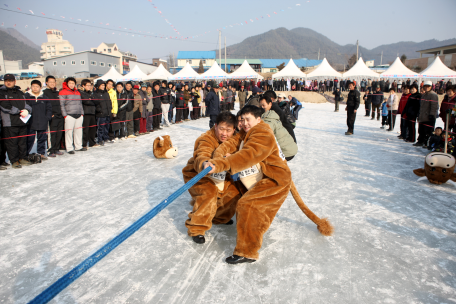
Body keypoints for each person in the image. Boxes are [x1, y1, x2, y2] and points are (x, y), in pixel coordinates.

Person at [205, 105, 292, 264]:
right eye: (241, 120)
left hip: (274, 180)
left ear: (258, 120)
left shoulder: (262, 132)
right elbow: (231, 143)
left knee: (248, 205)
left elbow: (249, 155)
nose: (244, 123)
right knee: (234, 191)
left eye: (248, 119)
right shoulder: (247, 132)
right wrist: (217, 157)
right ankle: (221, 217)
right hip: (260, 176)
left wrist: (221, 164)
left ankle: (247, 252)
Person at [182, 112, 243, 244]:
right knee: (208, 194)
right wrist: (204, 163)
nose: (224, 133)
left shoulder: (236, 140)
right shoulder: (206, 138)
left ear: (234, 129)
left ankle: (219, 218)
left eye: (228, 130)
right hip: (198, 174)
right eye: (221, 128)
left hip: (222, 176)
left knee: (233, 193)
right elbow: (202, 153)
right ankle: (197, 228)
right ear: (215, 126)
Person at [0, 74, 33, 168]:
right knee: (12, 143)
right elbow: (4, 106)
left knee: (22, 142)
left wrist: (27, 110)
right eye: (6, 80)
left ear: (15, 81)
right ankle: (14, 161)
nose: (8, 82)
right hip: (9, 122)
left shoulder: (20, 92)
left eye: (10, 80)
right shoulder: (2, 92)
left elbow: (27, 103)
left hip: (22, 121)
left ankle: (22, 158)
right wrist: (19, 111)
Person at [260, 95, 298, 161]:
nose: (261, 108)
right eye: (260, 106)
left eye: (263, 105)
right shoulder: (271, 113)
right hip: (290, 145)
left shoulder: (273, 114)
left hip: (287, 150)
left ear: (270, 103)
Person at [25, 80, 52, 160]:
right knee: (29, 139)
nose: (35, 88)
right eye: (33, 86)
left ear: (40, 87)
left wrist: (47, 117)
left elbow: (49, 109)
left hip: (42, 121)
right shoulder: (27, 96)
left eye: (37, 86)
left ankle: (41, 153)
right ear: (31, 87)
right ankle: (25, 154)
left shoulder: (44, 97)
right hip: (31, 122)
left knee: (42, 139)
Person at [59, 77, 85, 154]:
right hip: (69, 115)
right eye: (70, 83)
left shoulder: (77, 92)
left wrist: (82, 113)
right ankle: (69, 148)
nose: (71, 85)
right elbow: (62, 104)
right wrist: (65, 115)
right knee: (69, 132)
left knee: (78, 131)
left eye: (73, 83)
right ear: (67, 83)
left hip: (79, 115)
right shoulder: (63, 92)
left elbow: (80, 104)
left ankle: (78, 146)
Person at [43, 76, 64, 158]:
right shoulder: (45, 93)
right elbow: (44, 105)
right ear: (46, 83)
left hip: (60, 116)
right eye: (50, 82)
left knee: (59, 133)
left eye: (53, 82)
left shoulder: (57, 93)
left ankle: (56, 148)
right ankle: (50, 150)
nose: (52, 83)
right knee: (52, 134)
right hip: (52, 116)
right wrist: (48, 114)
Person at [416, 81, 439, 148]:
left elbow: (434, 106)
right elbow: (421, 106)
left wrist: (431, 115)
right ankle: (420, 141)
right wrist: (419, 114)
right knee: (421, 130)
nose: (426, 88)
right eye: (425, 86)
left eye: (428, 86)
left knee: (428, 131)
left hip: (429, 117)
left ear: (431, 87)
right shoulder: (424, 95)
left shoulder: (433, 95)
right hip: (422, 116)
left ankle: (427, 143)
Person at [79, 79, 99, 148]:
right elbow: (86, 101)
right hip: (86, 112)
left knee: (93, 129)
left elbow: (97, 101)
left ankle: (92, 142)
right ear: (83, 85)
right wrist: (91, 100)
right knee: (85, 129)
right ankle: (84, 144)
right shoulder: (81, 92)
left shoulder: (91, 93)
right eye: (88, 85)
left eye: (90, 85)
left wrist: (91, 99)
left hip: (92, 112)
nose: (89, 87)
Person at [94, 80, 112, 145]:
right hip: (101, 114)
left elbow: (109, 102)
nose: (103, 86)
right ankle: (100, 139)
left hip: (107, 112)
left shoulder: (106, 93)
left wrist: (110, 109)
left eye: (104, 85)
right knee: (100, 127)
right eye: (102, 85)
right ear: (98, 86)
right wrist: (99, 110)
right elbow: (96, 104)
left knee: (107, 126)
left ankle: (106, 137)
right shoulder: (96, 93)